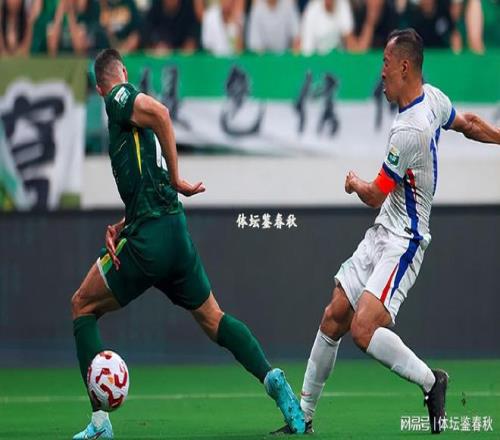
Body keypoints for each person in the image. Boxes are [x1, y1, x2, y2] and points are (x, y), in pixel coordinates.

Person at [274, 28, 500, 435]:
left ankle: (431, 381)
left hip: (405, 240)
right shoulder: (433, 98)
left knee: (362, 329)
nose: (381, 72)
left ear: (404, 67)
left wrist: (353, 183)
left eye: (385, 63)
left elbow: (376, 194)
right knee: (334, 316)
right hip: (383, 231)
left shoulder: (408, 130)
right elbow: (468, 124)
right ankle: (302, 417)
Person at [71, 48, 305, 440]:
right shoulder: (134, 131)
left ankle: (99, 423)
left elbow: (162, 113)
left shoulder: (117, 98)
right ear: (124, 68)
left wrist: (177, 178)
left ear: (101, 87)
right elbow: (148, 184)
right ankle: (273, 379)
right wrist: (123, 223)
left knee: (82, 305)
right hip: (174, 234)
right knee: (215, 320)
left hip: (148, 242)